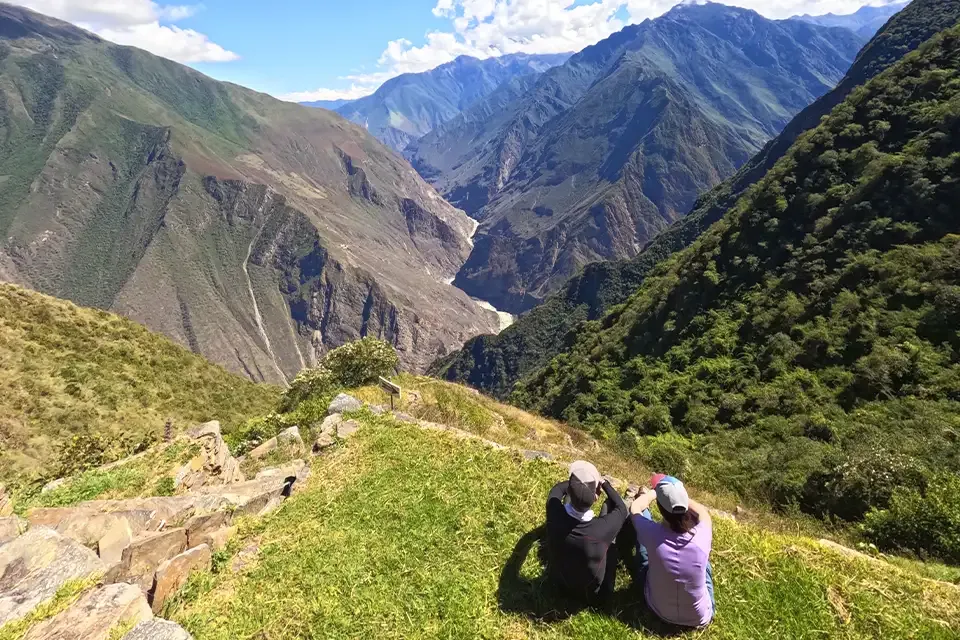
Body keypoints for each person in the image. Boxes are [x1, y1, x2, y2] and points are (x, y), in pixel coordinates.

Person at [629, 475, 715, 628]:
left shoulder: (652, 534)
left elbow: (635, 509)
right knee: (705, 566)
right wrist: (679, 498)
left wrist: (653, 493)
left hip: (658, 609)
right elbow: (702, 512)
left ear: (660, 509)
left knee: (644, 552)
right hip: (699, 617)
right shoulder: (703, 532)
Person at [544, 460, 629, 602]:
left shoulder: (554, 512)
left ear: (569, 490)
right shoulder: (602, 529)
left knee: (571, 504)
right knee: (608, 507)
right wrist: (604, 484)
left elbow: (557, 489)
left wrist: (576, 484)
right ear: (596, 497)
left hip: (559, 583)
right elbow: (621, 507)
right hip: (592, 593)